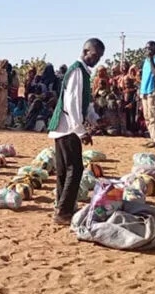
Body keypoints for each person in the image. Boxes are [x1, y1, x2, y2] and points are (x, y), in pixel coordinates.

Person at [48, 38, 104, 225]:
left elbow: (85, 105)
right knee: (75, 169)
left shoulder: (84, 74)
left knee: (65, 170)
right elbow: (71, 105)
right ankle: (63, 211)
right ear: (86, 51)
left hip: (68, 127)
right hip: (67, 127)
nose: (96, 60)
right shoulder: (77, 72)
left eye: (99, 57)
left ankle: (63, 207)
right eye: (94, 55)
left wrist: (96, 119)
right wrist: (81, 132)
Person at [140, 41, 155, 148]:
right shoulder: (145, 60)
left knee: (153, 115)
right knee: (146, 116)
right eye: (146, 48)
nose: (147, 50)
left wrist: (151, 59)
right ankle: (152, 138)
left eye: (149, 48)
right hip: (144, 90)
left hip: (152, 90)